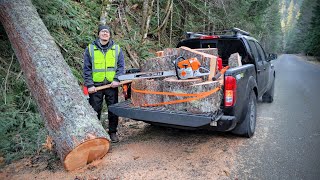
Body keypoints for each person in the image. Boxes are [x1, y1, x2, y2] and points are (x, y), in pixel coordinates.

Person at [83, 25, 125, 143]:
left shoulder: (116, 48)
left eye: (107, 32)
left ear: (110, 35)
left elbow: (121, 66)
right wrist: (89, 84)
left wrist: (117, 79)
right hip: (96, 86)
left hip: (112, 85)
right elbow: (86, 68)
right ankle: (96, 134)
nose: (105, 34)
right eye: (103, 32)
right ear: (98, 34)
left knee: (113, 109)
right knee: (95, 110)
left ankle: (112, 132)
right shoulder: (90, 49)